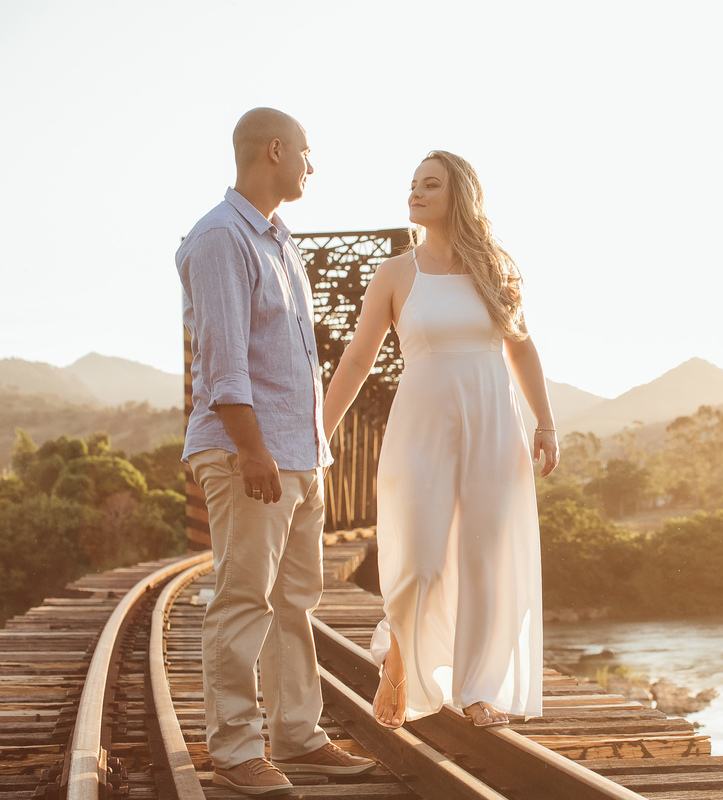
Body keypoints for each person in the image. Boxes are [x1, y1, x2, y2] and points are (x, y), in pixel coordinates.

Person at [323, 150, 558, 729]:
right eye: (413, 184)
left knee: (482, 558)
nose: (416, 192)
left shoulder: (496, 267)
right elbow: (357, 359)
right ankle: (399, 663)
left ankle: (478, 689)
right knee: (422, 559)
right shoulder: (396, 273)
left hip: (493, 422)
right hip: (422, 425)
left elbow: (521, 346)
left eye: (431, 184)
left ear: (460, 196)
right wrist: (319, 432)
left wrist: (545, 422)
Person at [177, 107, 374, 796]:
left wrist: (311, 450)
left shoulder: (281, 244)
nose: (311, 168)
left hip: (300, 453)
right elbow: (223, 363)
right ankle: (235, 750)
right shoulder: (219, 239)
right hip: (249, 453)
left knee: (294, 602)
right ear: (275, 150)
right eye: (306, 155)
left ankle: (298, 733)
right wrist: (252, 449)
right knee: (243, 598)